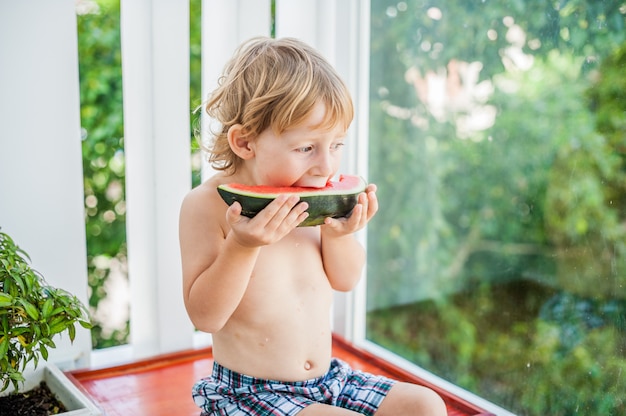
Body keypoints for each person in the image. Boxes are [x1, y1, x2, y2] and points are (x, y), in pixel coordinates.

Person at [179, 36, 447, 416]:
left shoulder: (312, 195)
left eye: (336, 145)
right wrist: (241, 247)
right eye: (306, 148)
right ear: (244, 142)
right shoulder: (206, 206)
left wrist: (340, 236)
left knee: (425, 406)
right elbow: (205, 316)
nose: (326, 167)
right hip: (248, 395)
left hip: (328, 381)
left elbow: (346, 279)